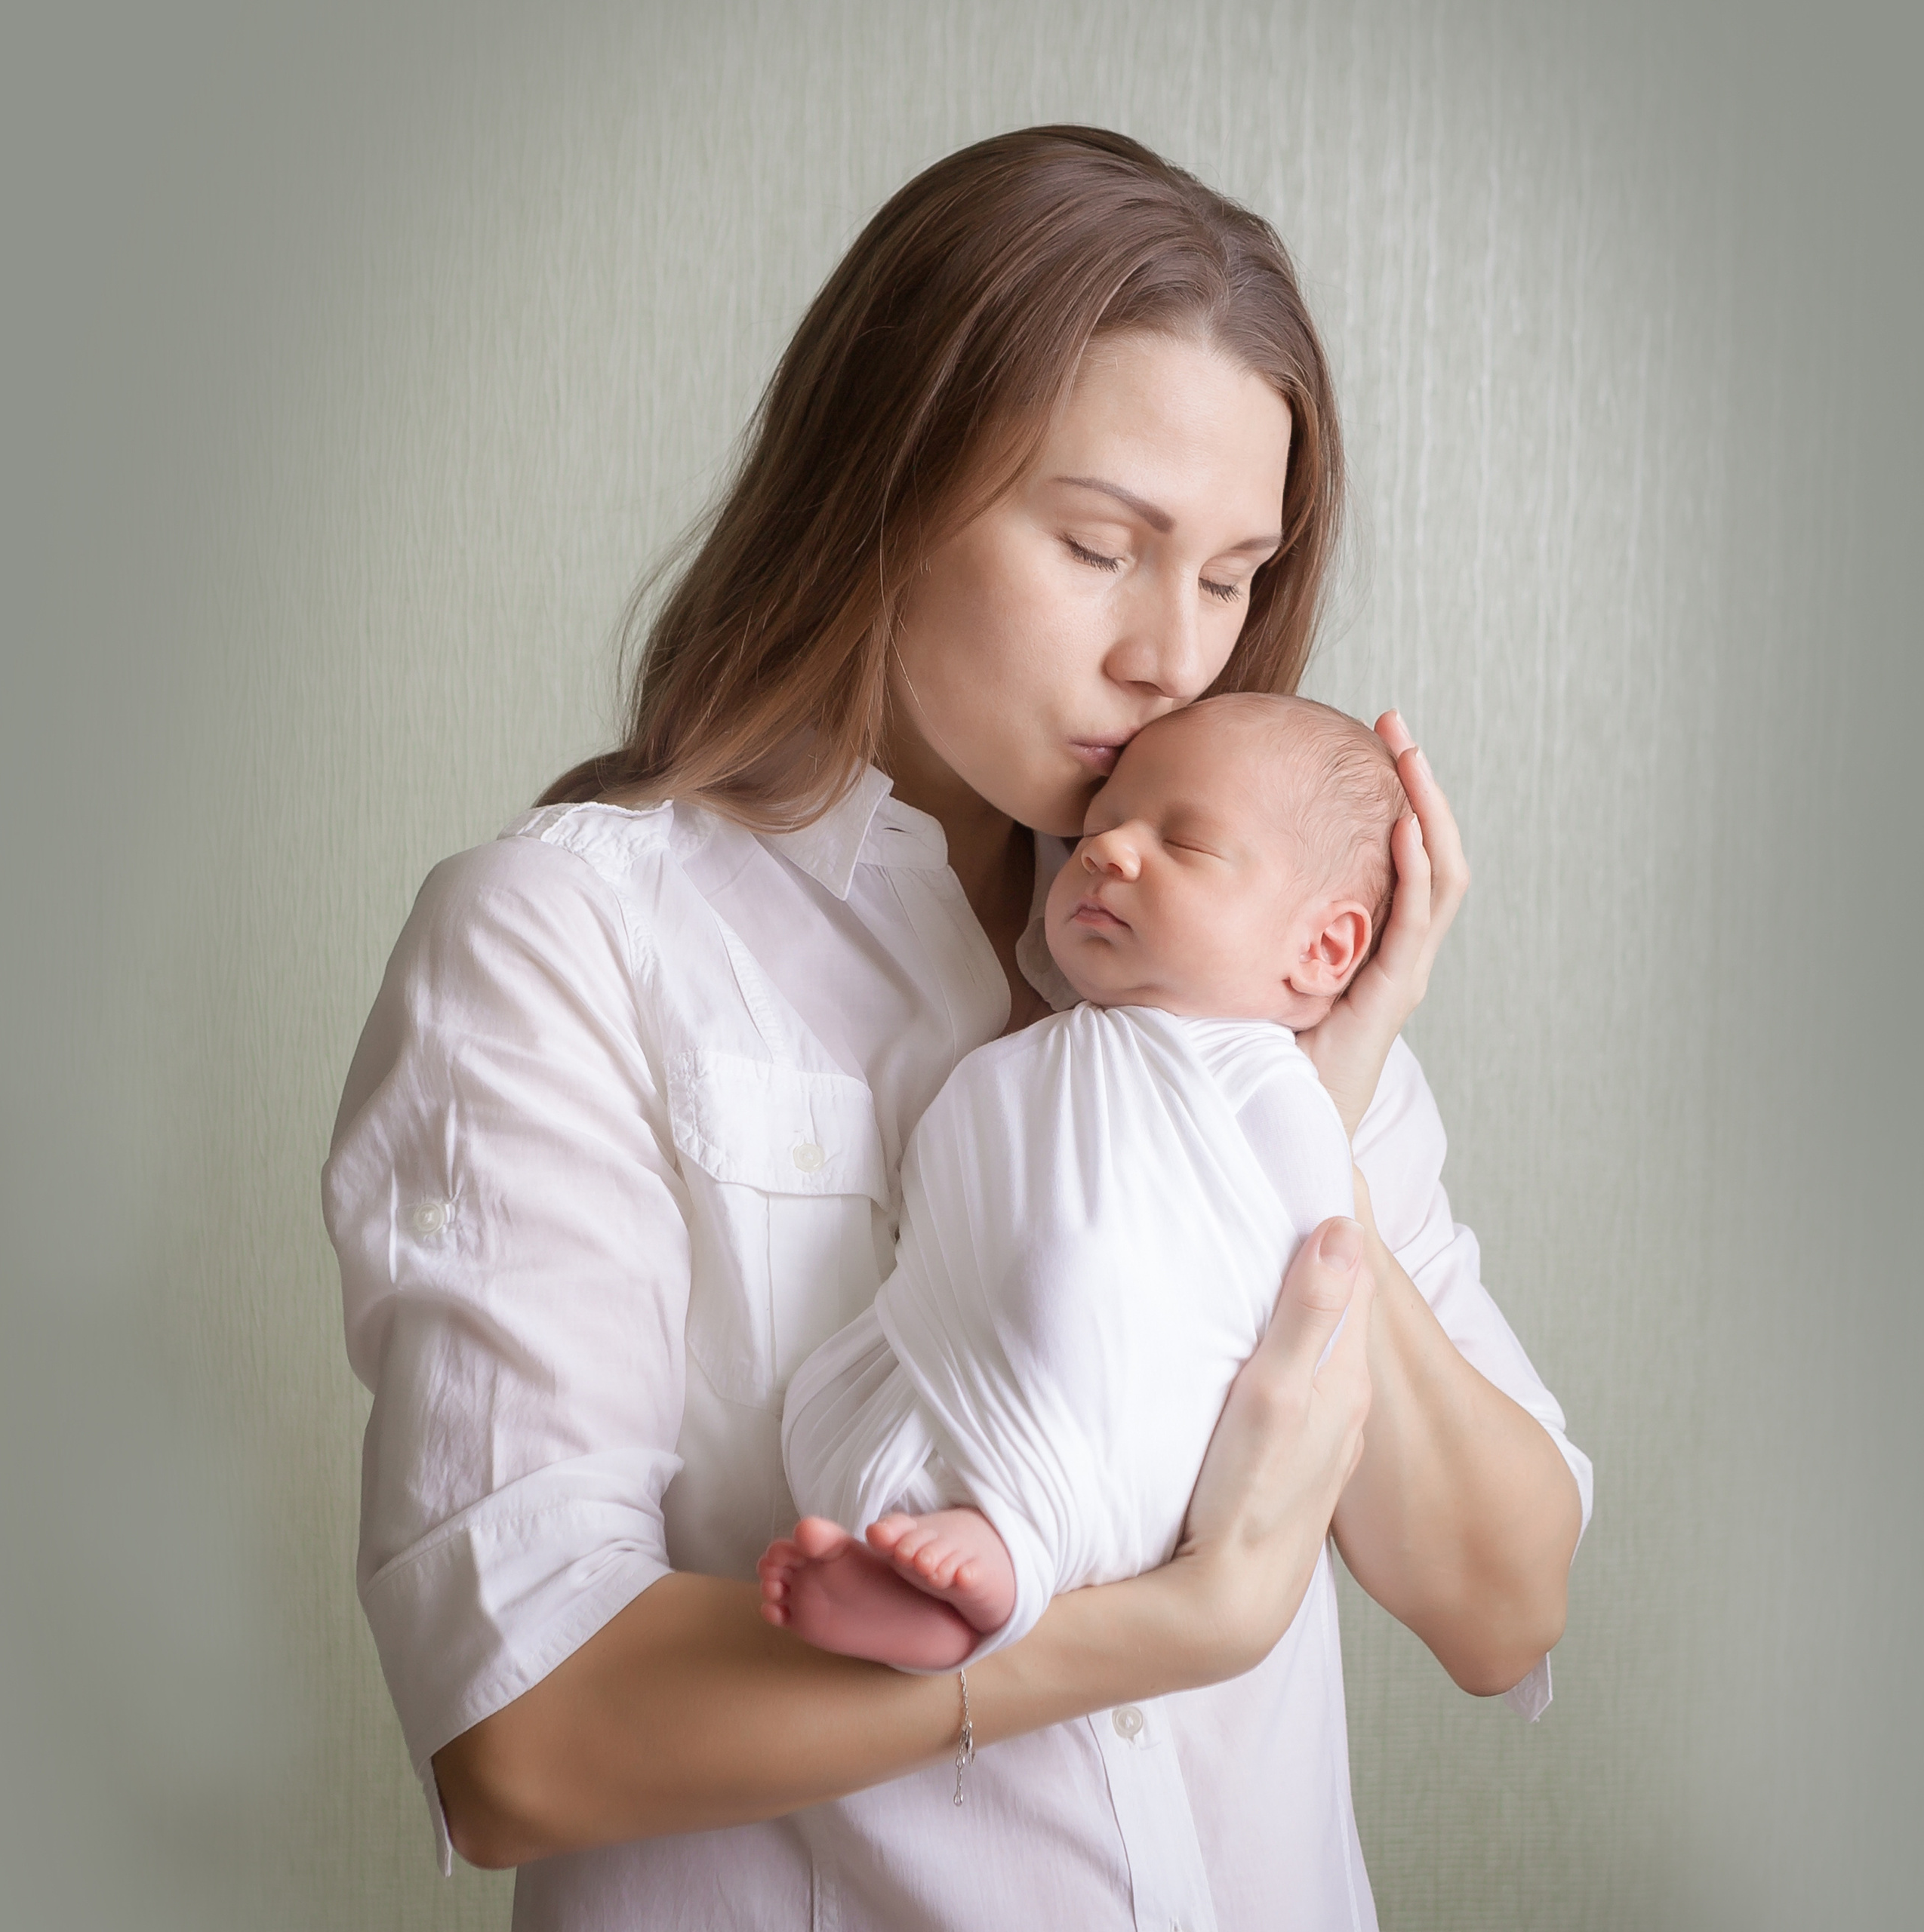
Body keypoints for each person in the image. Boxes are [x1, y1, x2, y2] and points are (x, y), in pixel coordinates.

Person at [324, 125, 1590, 1930]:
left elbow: (1499, 1600)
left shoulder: (1255, 994)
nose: (1176, 652)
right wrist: (1165, 1627)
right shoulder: (570, 937)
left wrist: (1312, 1108)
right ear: (883, 483)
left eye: (1230, 573)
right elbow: (520, 1733)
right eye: (1100, 542)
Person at [763, 694, 1401, 1672]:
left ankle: (1008, 1565)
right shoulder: (1047, 1045)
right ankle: (913, 1568)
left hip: (1129, 1396)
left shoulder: (1268, 1083)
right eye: (1101, 825)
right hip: (956, 1348)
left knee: (1088, 1299)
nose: (1108, 852)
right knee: (833, 1407)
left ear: (1322, 949)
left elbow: (1291, 1283)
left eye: (1184, 844)